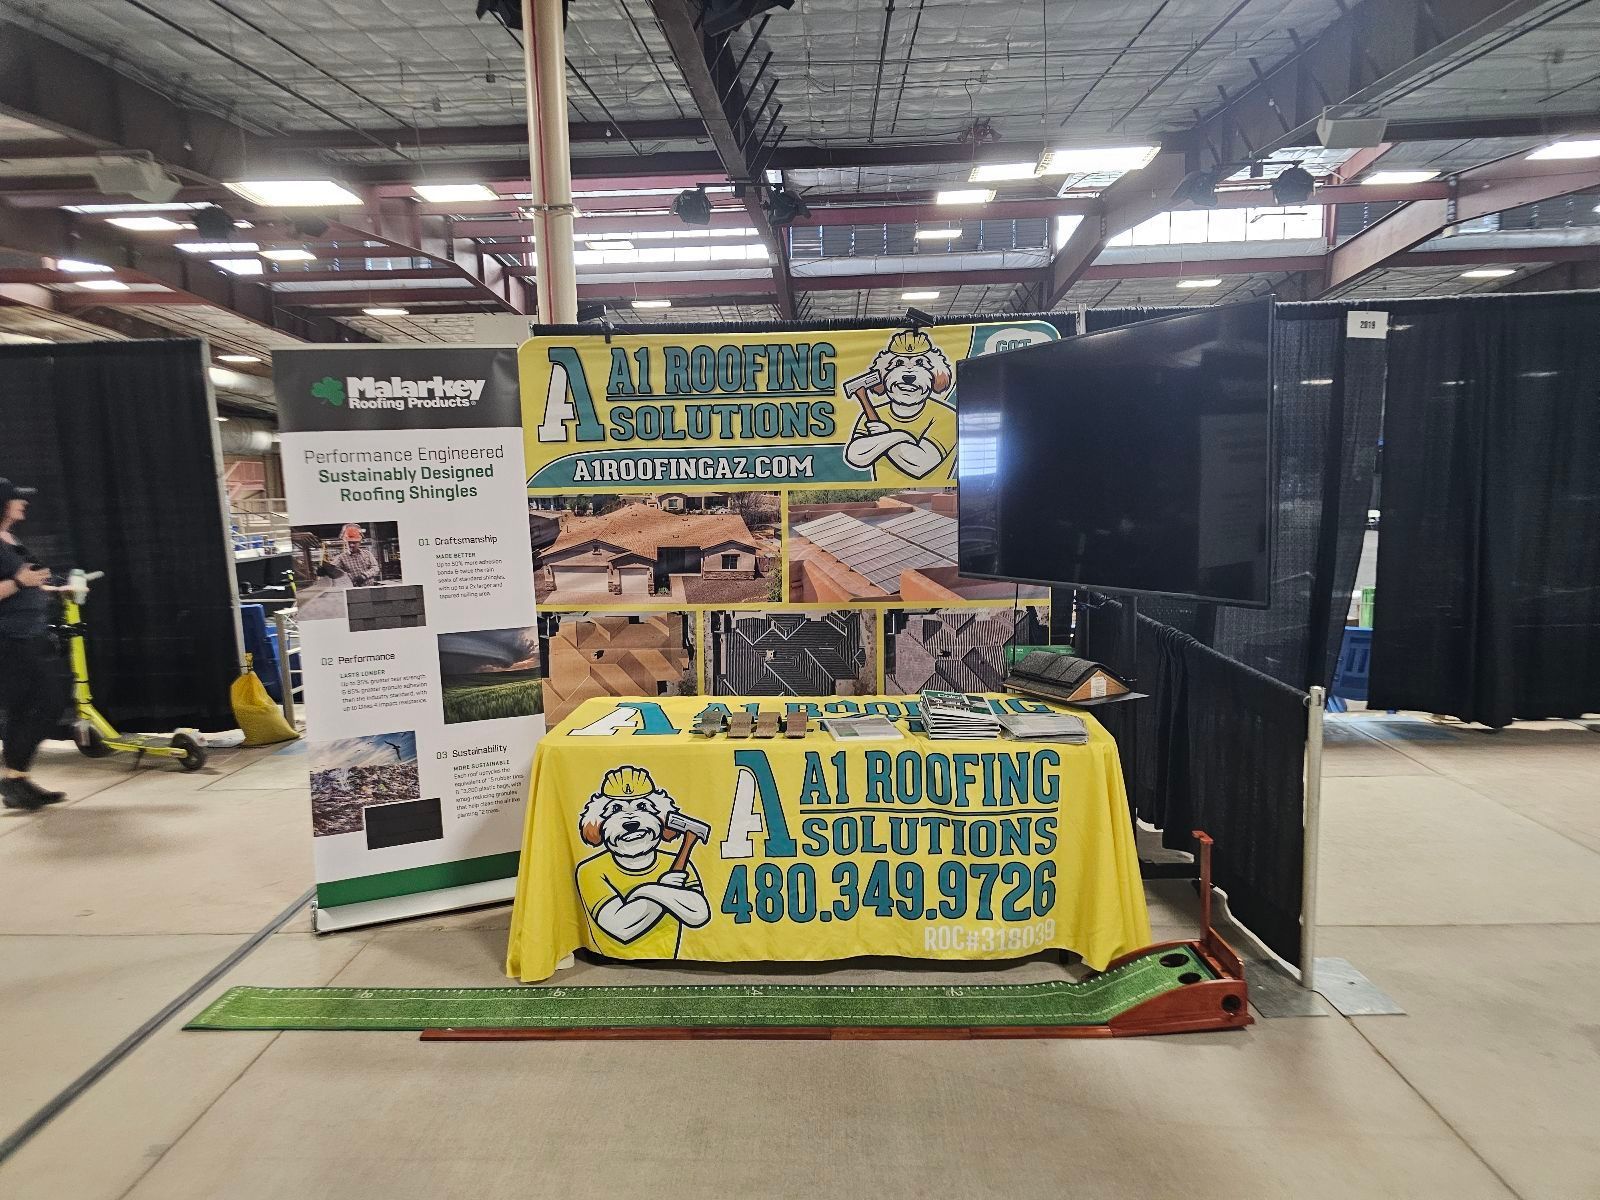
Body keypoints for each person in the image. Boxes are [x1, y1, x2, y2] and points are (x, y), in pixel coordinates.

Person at [0, 478, 69, 810]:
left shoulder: (10, 540)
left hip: (30, 633)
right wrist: (18, 580)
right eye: (16, 499)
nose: (22, 503)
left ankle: (18, 780)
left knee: (24, 708)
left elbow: (28, 583)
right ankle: (13, 776)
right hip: (10, 639)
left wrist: (52, 589)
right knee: (47, 701)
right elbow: (15, 583)